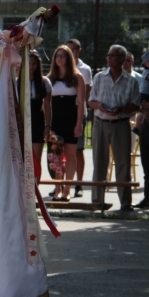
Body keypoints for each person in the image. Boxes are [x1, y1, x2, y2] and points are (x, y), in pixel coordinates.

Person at [89, 45, 140, 212]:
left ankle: (125, 203)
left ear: (121, 59)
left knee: (123, 163)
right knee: (99, 162)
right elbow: (91, 101)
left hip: (121, 124)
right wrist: (101, 107)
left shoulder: (131, 81)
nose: (108, 58)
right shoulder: (98, 77)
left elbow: (136, 104)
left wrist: (123, 108)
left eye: (112, 56)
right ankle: (97, 201)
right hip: (100, 123)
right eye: (108, 55)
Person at [48, 45, 85, 201]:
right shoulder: (50, 78)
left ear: (69, 58)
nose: (60, 58)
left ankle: (67, 190)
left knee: (70, 155)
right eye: (57, 56)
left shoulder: (77, 77)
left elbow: (81, 103)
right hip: (55, 121)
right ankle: (58, 189)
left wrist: (79, 124)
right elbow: (46, 103)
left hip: (70, 120)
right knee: (55, 155)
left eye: (63, 55)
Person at [66, 38, 92, 198]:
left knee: (78, 150)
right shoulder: (62, 67)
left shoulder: (85, 69)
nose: (70, 52)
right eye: (67, 49)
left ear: (78, 50)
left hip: (77, 113)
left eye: (73, 49)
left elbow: (85, 95)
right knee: (59, 149)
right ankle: (61, 185)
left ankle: (78, 184)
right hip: (63, 114)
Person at [26, 51, 53, 178]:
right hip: (23, 121)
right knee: (23, 159)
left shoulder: (44, 82)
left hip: (37, 121)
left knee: (36, 159)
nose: (31, 67)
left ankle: (35, 190)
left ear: (38, 65)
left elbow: (47, 106)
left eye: (34, 64)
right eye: (29, 64)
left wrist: (47, 126)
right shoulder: (17, 81)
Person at [135, 51, 149, 209]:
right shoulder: (147, 74)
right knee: (148, 164)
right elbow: (141, 105)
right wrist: (145, 107)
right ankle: (148, 198)